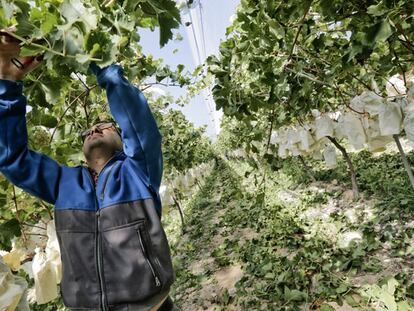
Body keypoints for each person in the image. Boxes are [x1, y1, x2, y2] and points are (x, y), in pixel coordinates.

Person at [0, 30, 178, 311]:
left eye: (105, 126)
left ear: (122, 141)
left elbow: (142, 131)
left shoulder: (137, 173)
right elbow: (13, 159)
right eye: (88, 131)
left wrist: (102, 66)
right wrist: (7, 83)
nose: (94, 129)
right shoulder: (63, 184)